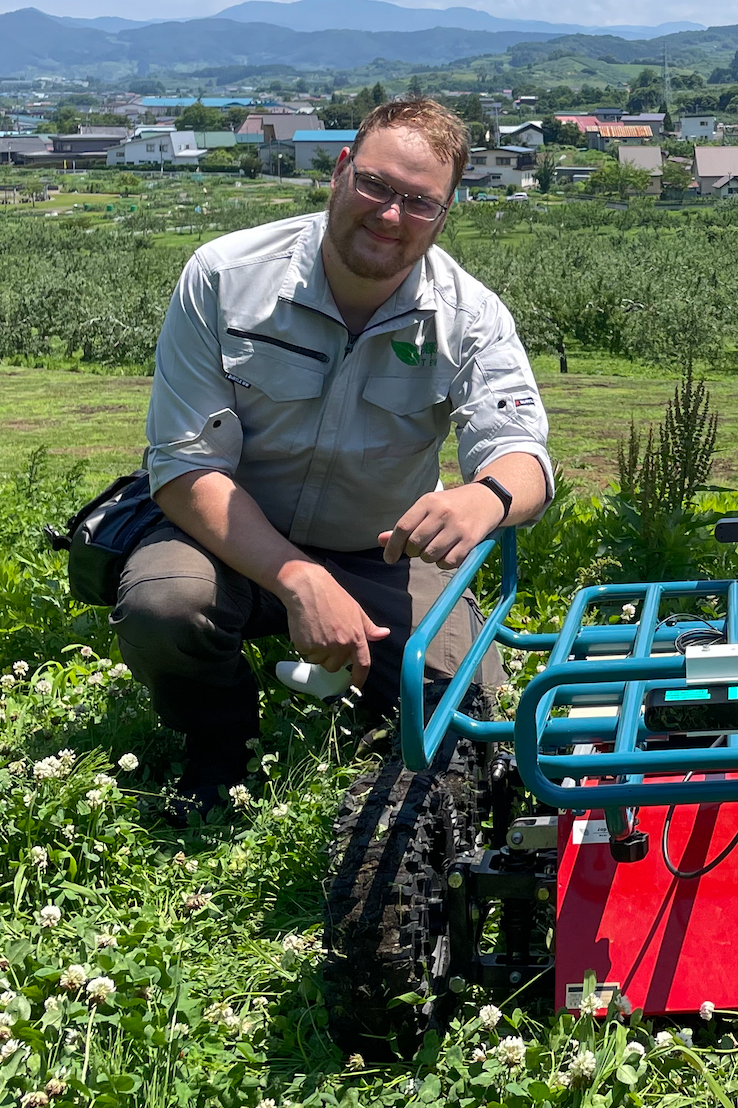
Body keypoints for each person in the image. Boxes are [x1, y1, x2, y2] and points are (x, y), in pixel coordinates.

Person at [114, 99, 553, 814]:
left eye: (419, 202)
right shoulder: (225, 277)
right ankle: (219, 743)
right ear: (340, 171)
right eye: (377, 185)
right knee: (167, 604)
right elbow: (185, 464)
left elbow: (522, 454)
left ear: (445, 214)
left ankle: (373, 706)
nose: (389, 215)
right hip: (227, 534)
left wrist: (485, 498)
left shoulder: (471, 317)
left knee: (458, 703)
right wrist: (300, 581)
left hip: (377, 550)